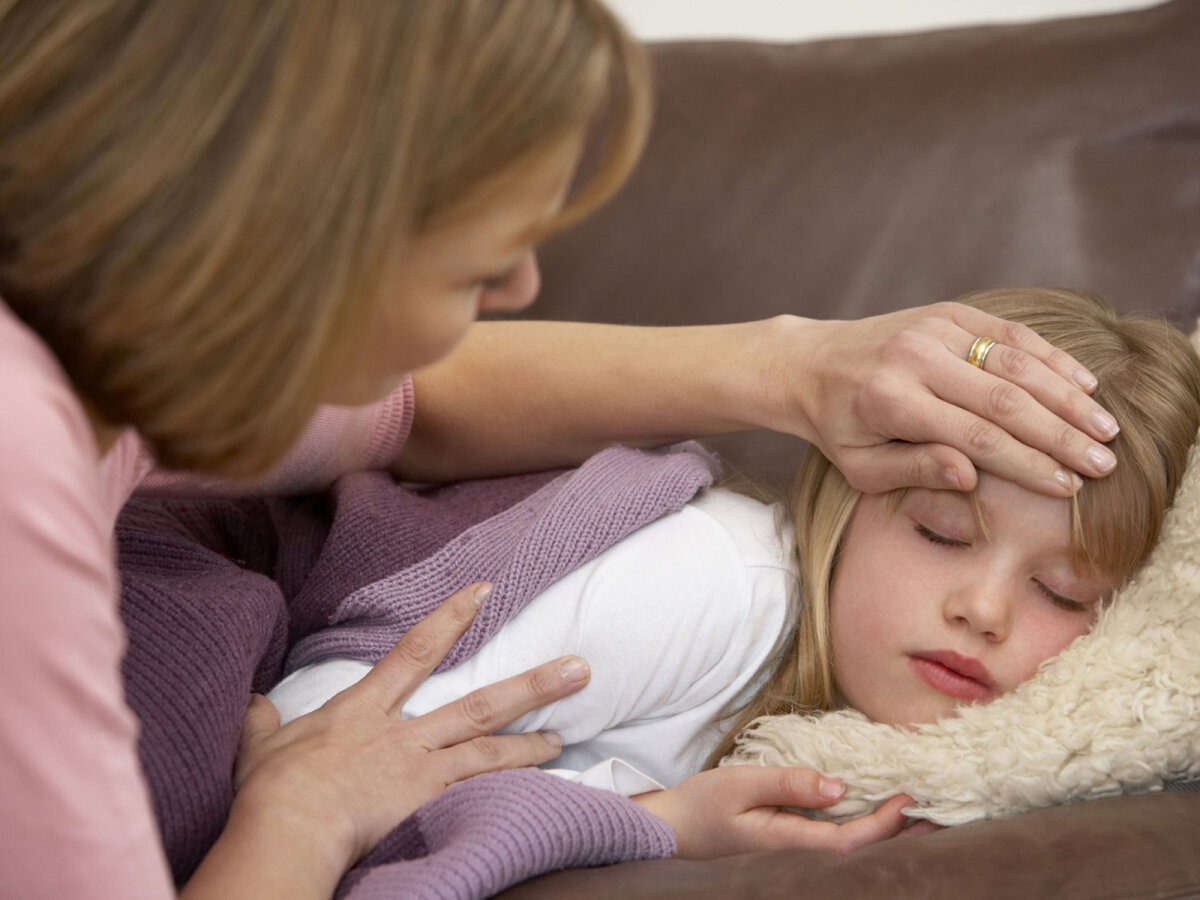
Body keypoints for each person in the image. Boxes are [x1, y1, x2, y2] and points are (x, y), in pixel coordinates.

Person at [0, 1, 1122, 896]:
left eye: (1070, 594)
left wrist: (794, 367)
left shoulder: (125, 390)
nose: (522, 292)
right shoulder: (22, 453)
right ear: (291, 214)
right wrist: (301, 817)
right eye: (479, 264)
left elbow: (406, 411)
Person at [269, 288, 1200, 861]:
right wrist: (650, 823)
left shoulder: (880, 743)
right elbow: (318, 740)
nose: (984, 609)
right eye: (942, 533)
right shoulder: (719, 582)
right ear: (848, 492)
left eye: (1064, 594)